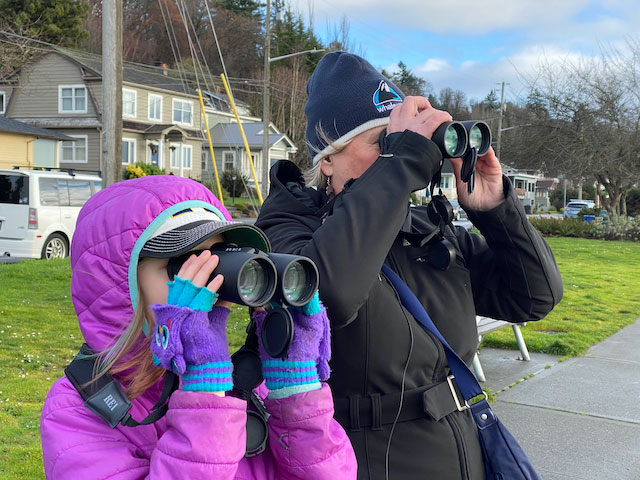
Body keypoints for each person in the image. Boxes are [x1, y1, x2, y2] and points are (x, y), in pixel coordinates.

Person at [256, 52, 563, 479]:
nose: (400, 154)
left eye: (402, 143)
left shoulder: (426, 230)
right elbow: (330, 295)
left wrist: (495, 208)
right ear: (327, 158)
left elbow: (534, 297)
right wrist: (400, 164)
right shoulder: (288, 227)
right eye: (382, 143)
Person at [40, 175, 357, 479]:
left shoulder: (240, 388)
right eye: (182, 265)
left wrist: (295, 393)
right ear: (121, 283)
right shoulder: (77, 411)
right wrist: (204, 395)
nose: (208, 285)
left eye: (217, 260)